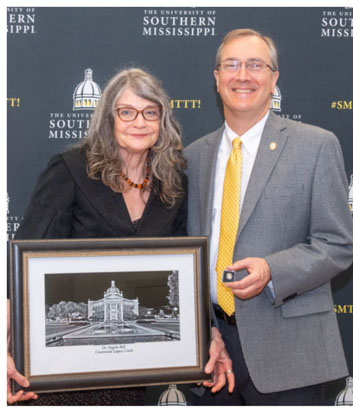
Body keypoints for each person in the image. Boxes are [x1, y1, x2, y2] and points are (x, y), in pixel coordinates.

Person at [7, 68, 234, 405]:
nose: (139, 122)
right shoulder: (70, 170)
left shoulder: (172, 187)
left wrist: (209, 334)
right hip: (59, 374)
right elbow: (21, 270)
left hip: (130, 371)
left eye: (150, 112)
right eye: (126, 112)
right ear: (108, 118)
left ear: (162, 120)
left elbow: (186, 278)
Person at [184, 28, 353, 405]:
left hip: (289, 351)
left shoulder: (316, 145)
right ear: (216, 79)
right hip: (211, 352)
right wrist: (203, 333)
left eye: (255, 65)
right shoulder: (193, 157)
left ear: (274, 78)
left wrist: (272, 270)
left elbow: (339, 244)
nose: (242, 75)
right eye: (231, 65)